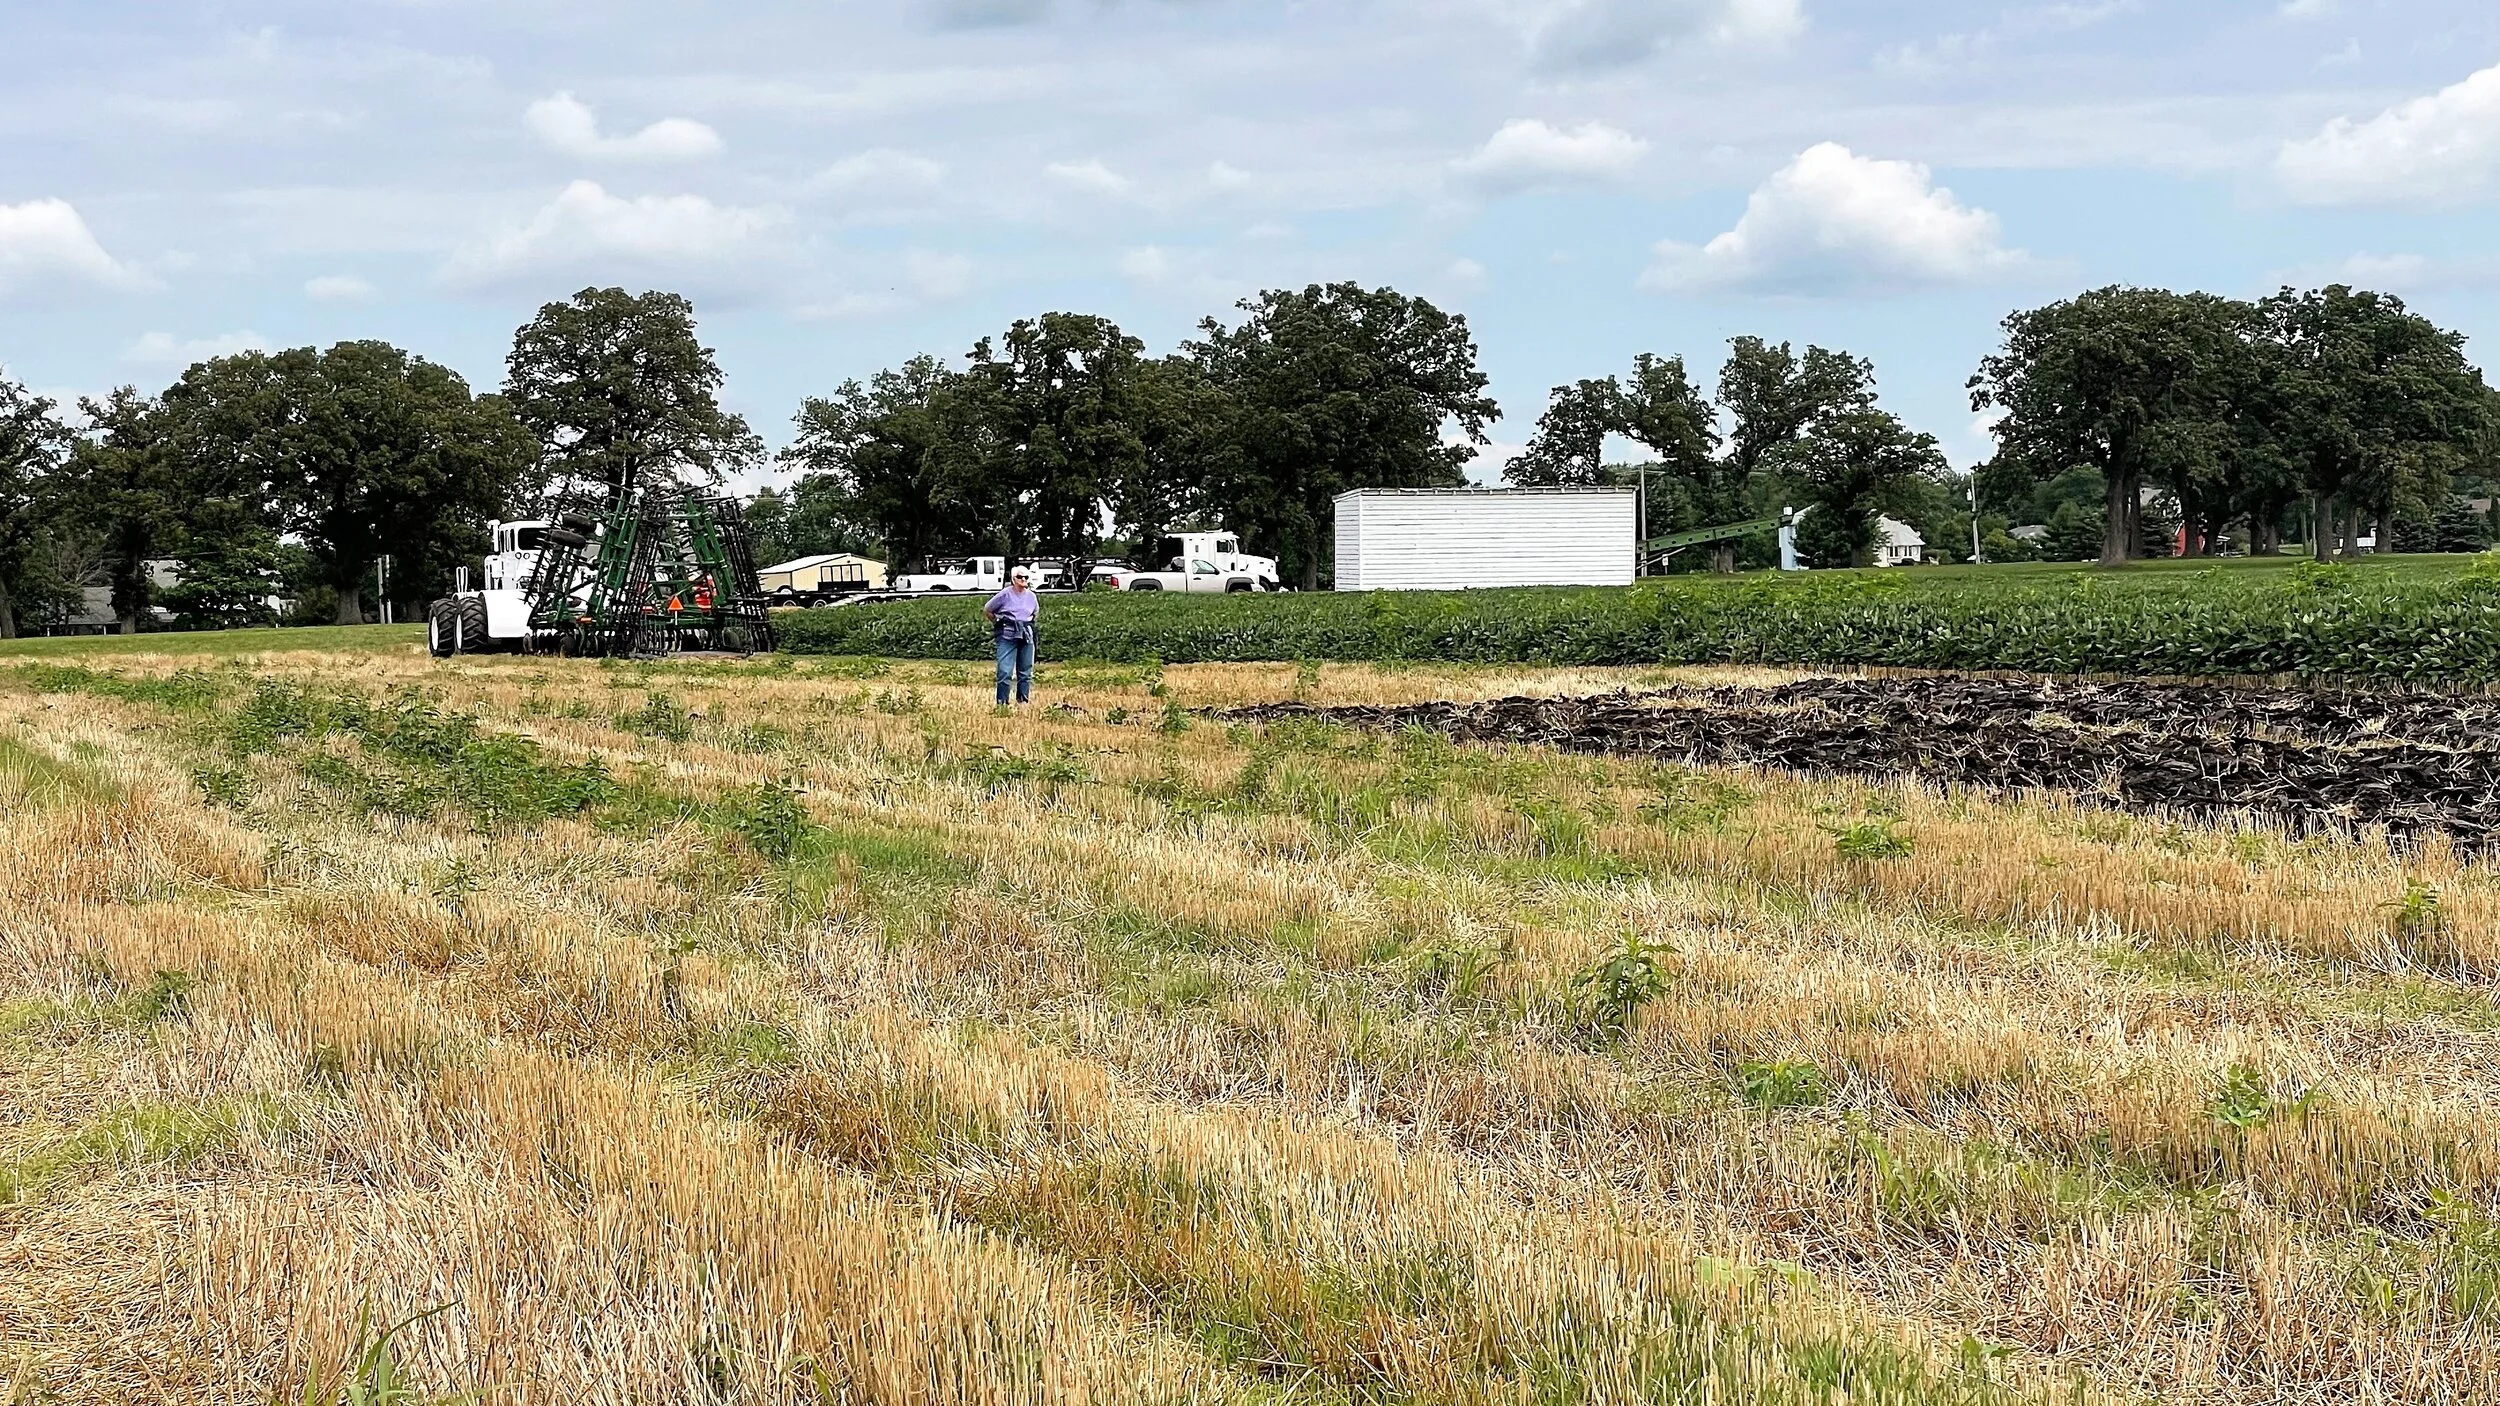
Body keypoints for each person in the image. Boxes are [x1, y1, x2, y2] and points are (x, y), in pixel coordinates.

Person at [983, 565, 1040, 706]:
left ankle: (1023, 702)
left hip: (1026, 633)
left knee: (1026, 670)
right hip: (1007, 634)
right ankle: (1002, 703)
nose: (1023, 580)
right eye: (1020, 577)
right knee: (1005, 671)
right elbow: (988, 609)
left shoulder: (1032, 596)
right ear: (1013, 579)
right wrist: (998, 621)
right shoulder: (1005, 594)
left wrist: (1027, 625)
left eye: (1026, 577)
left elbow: (1034, 613)